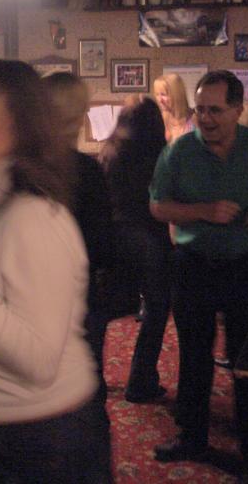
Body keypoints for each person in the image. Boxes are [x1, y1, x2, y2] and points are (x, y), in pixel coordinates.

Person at [0, 59, 112, 483]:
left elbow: (38, 360)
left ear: (21, 125)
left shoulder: (33, 219)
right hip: (6, 434)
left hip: (50, 440)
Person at [150, 70, 248, 482]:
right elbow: (158, 207)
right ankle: (191, 437)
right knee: (194, 357)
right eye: (201, 110)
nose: (206, 118)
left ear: (236, 109)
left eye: (215, 110)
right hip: (193, 265)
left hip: (246, 266)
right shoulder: (179, 152)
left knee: (247, 363)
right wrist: (202, 211)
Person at [43, 71, 115, 405]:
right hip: (76, 289)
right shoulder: (85, 171)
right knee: (85, 377)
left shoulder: (21, 168)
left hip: (34, 290)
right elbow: (100, 243)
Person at [99, 96, 170, 403]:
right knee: (156, 308)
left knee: (104, 309)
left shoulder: (109, 151)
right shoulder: (160, 156)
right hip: (150, 235)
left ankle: (93, 379)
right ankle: (141, 379)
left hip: (115, 233)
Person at [153, 73, 194, 143]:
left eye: (163, 94)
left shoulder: (194, 120)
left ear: (177, 94)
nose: (160, 100)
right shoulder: (157, 120)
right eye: (157, 94)